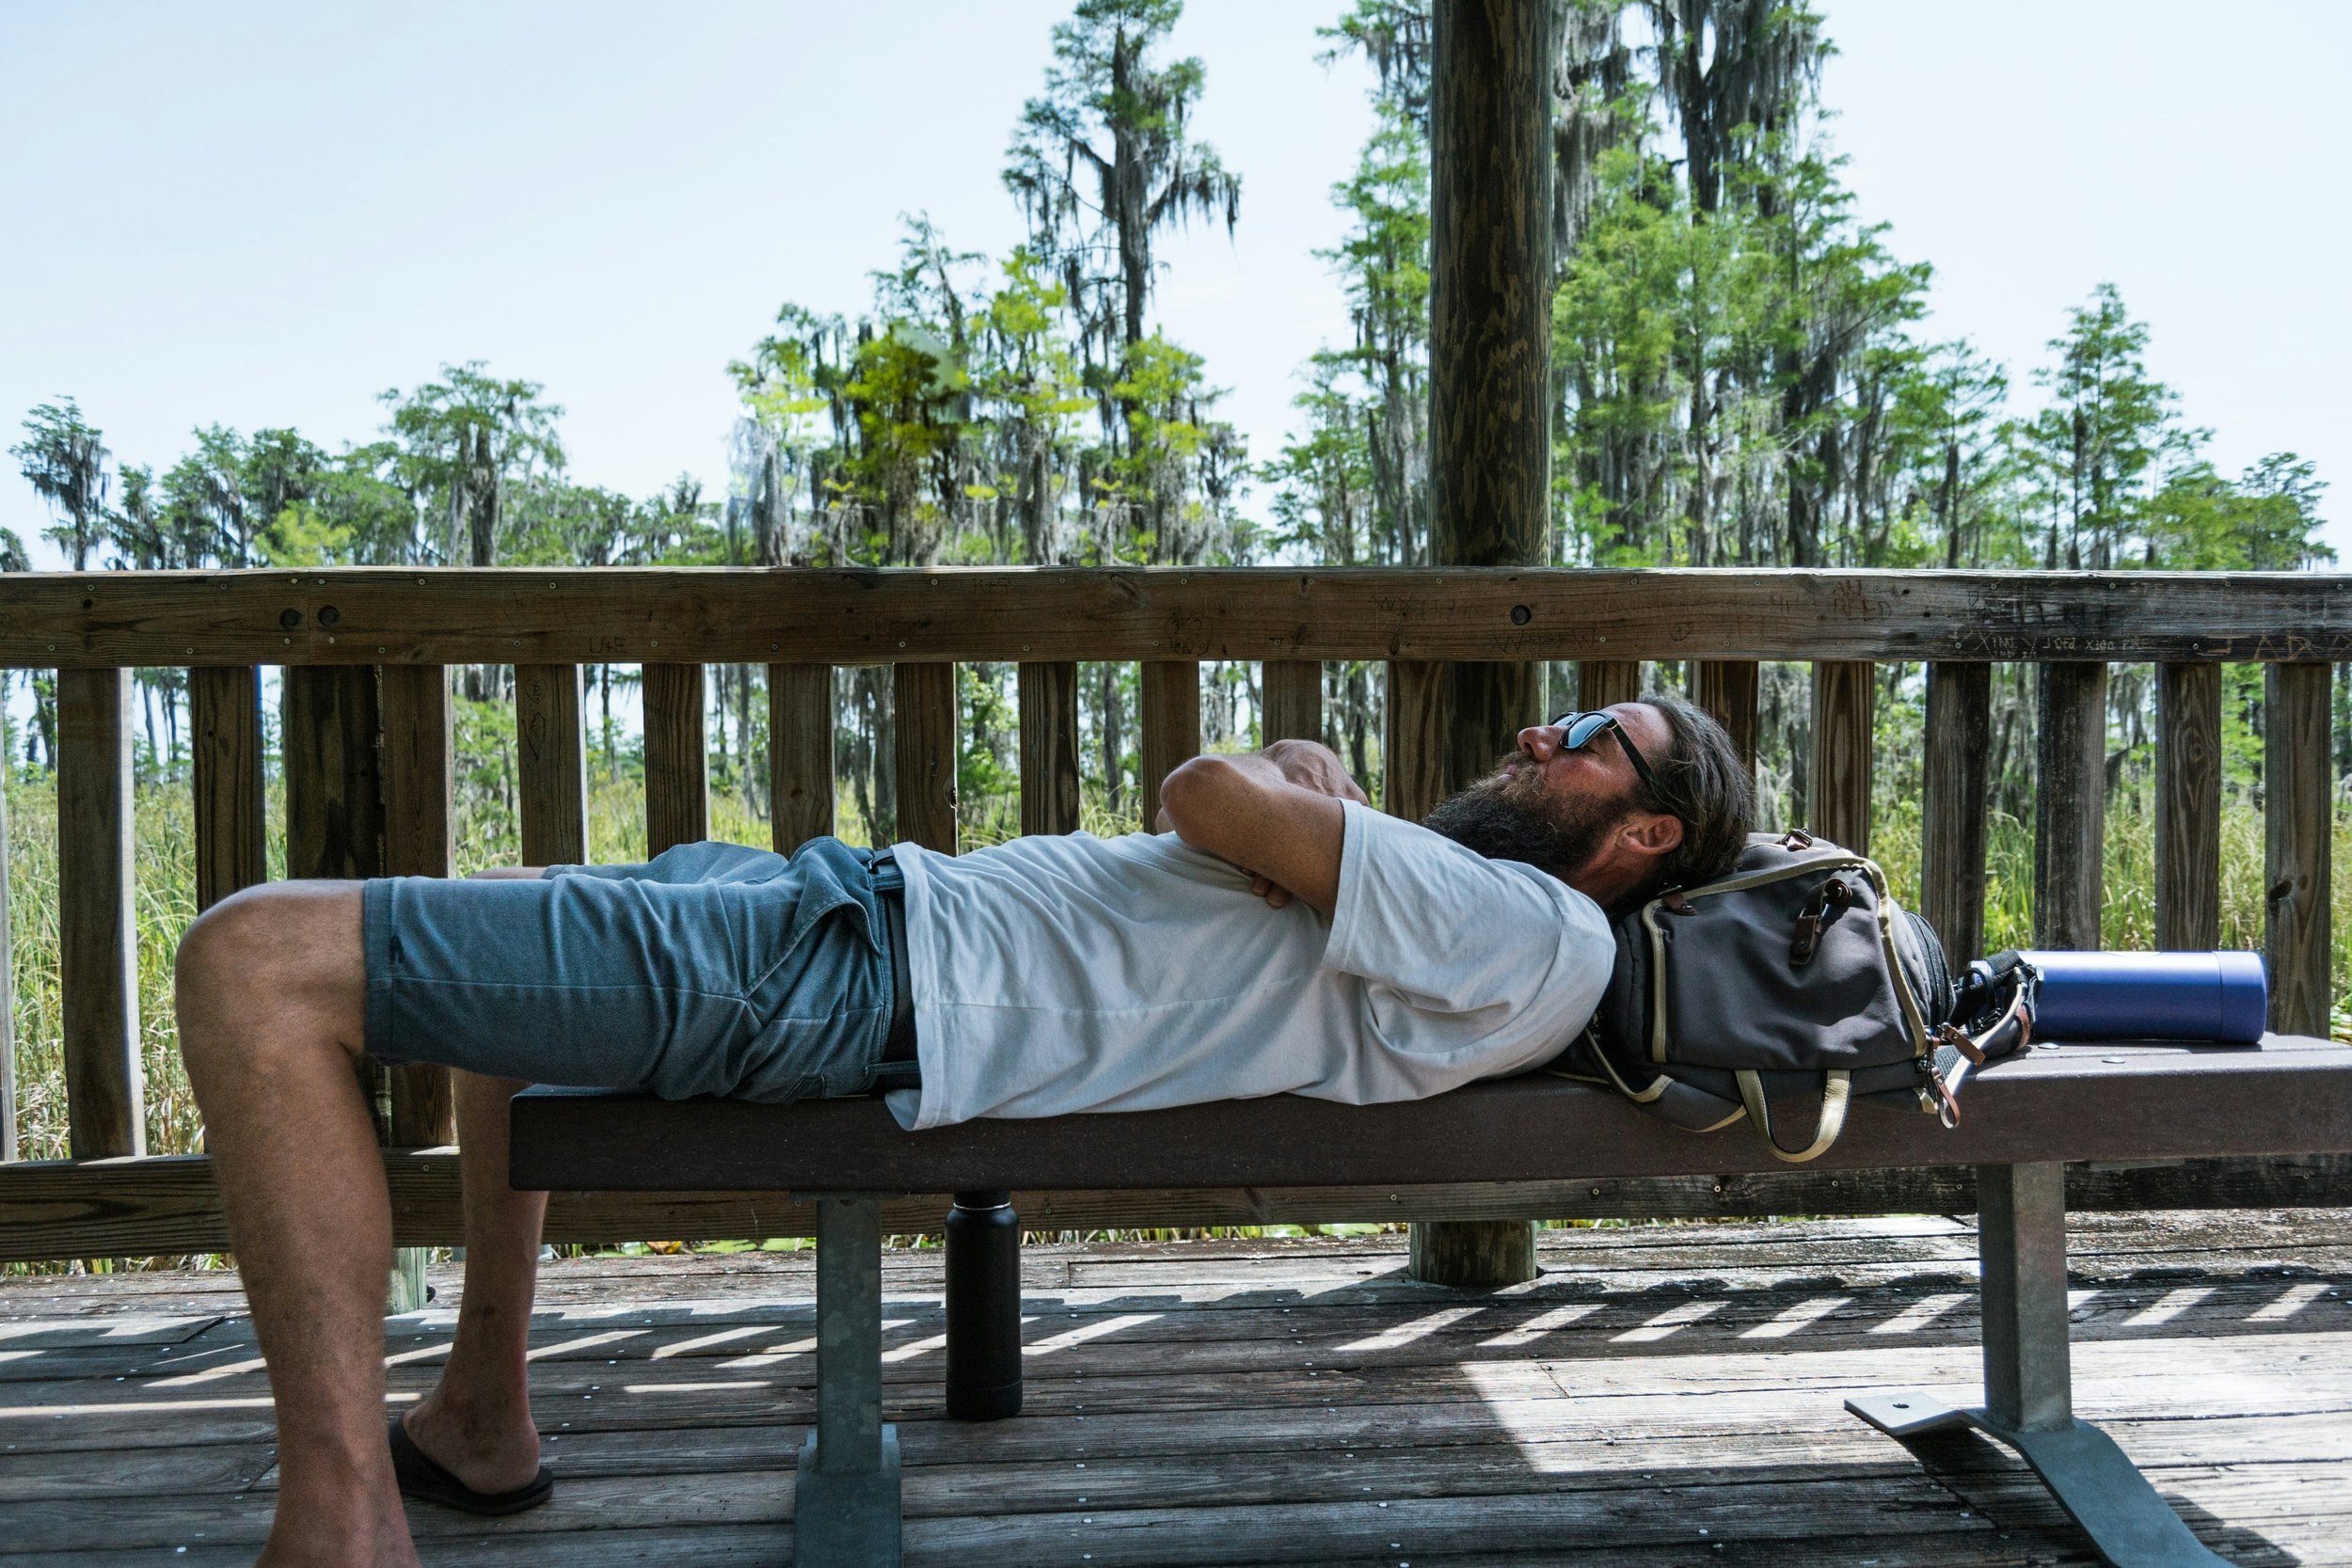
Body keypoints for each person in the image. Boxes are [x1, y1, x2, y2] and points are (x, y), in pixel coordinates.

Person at [175, 694, 1751, 1567]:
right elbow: (1265, 839)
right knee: (508, 916)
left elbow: (1205, 789)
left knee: (253, 959)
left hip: (855, 972)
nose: (1542, 735)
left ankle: (341, 1527)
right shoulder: (1489, 910)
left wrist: (1285, 771)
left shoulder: (1543, 930)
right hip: (858, 912)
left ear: (1649, 831)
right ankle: (476, 1417)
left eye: (1592, 734)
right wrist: (1315, 798)